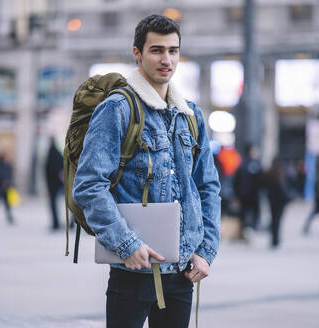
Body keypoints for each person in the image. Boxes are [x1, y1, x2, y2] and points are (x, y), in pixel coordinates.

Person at [72, 14, 221, 328]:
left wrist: (206, 250)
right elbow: (89, 185)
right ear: (137, 53)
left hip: (182, 270)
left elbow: (207, 186)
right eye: (156, 50)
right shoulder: (118, 108)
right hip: (132, 269)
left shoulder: (190, 114)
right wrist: (126, 244)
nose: (166, 59)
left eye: (173, 50)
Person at [233, 143, 262, 234]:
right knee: (254, 212)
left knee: (244, 213)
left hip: (244, 194)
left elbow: (236, 181)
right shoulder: (255, 164)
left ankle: (244, 229)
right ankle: (251, 228)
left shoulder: (241, 164)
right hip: (252, 195)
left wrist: (236, 194)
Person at [263, 156, 291, 249]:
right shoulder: (281, 173)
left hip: (272, 200)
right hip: (280, 201)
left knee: (274, 220)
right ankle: (276, 239)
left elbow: (265, 186)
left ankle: (274, 239)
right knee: (277, 221)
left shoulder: (269, 173)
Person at [45, 137, 64, 231]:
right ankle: (56, 223)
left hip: (53, 184)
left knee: (53, 203)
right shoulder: (55, 152)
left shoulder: (53, 153)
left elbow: (53, 167)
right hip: (54, 183)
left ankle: (56, 223)